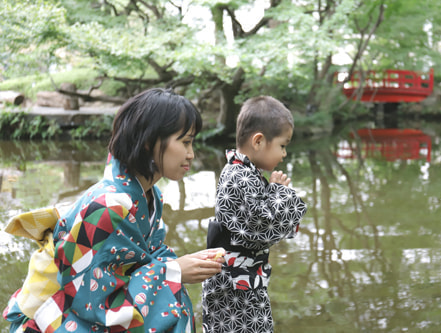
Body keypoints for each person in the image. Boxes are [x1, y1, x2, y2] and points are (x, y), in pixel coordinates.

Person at [3, 88, 225, 333]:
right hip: (58, 313)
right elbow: (87, 295)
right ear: (150, 142)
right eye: (185, 142)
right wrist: (173, 272)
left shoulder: (152, 195)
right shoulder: (107, 206)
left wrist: (183, 265)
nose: (191, 154)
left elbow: (145, 258)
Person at [201, 96, 307, 333]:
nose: (284, 154)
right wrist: (279, 192)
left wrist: (271, 191)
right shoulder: (239, 176)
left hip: (245, 281)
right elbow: (261, 226)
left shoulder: (246, 173)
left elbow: (257, 219)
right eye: (282, 145)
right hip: (233, 290)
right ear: (258, 141)